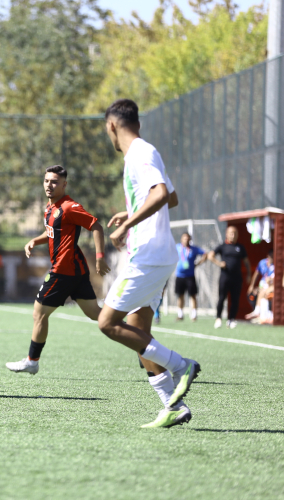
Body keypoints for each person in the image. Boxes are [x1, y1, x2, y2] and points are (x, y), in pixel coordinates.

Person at [99, 99, 200, 429]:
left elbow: (159, 194)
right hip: (159, 255)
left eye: (107, 131)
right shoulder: (144, 153)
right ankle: (173, 405)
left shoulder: (140, 153)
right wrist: (131, 212)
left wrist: (128, 225)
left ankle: (180, 365)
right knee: (138, 333)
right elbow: (172, 197)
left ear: (113, 126)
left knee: (107, 323)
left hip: (147, 255)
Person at [6, 165, 109, 375]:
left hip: (63, 271)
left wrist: (99, 257)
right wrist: (35, 240)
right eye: (46, 181)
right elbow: (53, 232)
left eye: (54, 182)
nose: (49, 185)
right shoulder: (50, 207)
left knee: (39, 314)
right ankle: (138, 342)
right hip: (75, 271)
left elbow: (96, 225)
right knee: (96, 314)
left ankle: (32, 361)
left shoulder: (70, 207)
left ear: (64, 184)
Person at [207, 226, 251, 329]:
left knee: (235, 299)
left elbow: (246, 262)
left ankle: (231, 320)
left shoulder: (240, 247)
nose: (233, 235)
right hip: (225, 276)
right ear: (227, 234)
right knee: (222, 298)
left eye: (235, 233)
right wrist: (219, 263)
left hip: (237, 278)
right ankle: (218, 318)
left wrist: (249, 274)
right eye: (231, 233)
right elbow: (210, 256)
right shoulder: (222, 246)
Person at [175, 232, 207, 322]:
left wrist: (198, 263)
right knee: (180, 295)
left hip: (190, 276)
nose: (186, 240)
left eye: (188, 238)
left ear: (190, 239)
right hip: (179, 276)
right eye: (184, 238)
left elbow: (205, 254)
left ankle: (194, 315)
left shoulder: (194, 249)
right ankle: (180, 314)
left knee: (192, 295)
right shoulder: (177, 247)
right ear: (181, 239)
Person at [245, 249, 274, 323]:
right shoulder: (262, 263)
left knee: (263, 293)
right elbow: (256, 274)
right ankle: (259, 313)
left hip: (270, 287)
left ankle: (259, 313)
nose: (272, 258)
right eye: (271, 256)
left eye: (273, 256)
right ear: (268, 256)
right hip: (263, 286)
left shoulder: (277, 266)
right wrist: (252, 286)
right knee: (252, 294)